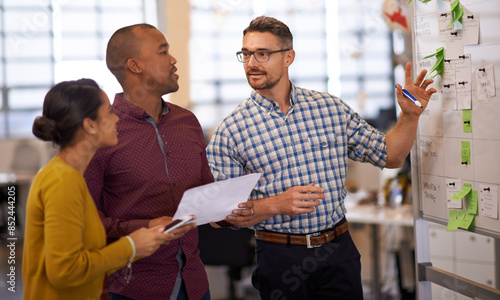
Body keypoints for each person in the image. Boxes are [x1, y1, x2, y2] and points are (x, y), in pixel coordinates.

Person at [207, 16, 437, 299]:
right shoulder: (231, 131)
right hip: (280, 258)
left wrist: (409, 117)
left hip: (337, 251)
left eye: (262, 54)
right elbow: (219, 217)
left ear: (288, 57)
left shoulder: (330, 108)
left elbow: (390, 155)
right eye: (246, 54)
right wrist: (276, 204)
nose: (252, 63)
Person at [23, 79, 195, 300]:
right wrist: (131, 247)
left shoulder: (69, 176)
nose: (116, 119)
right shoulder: (62, 181)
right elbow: (64, 271)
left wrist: (146, 235)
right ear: (90, 125)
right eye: (109, 112)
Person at [84, 24, 213, 300]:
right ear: (135, 65)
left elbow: (207, 191)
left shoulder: (187, 122)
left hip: (195, 284)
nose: (173, 59)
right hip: (132, 287)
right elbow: (87, 222)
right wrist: (143, 227)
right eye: (163, 51)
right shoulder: (102, 132)